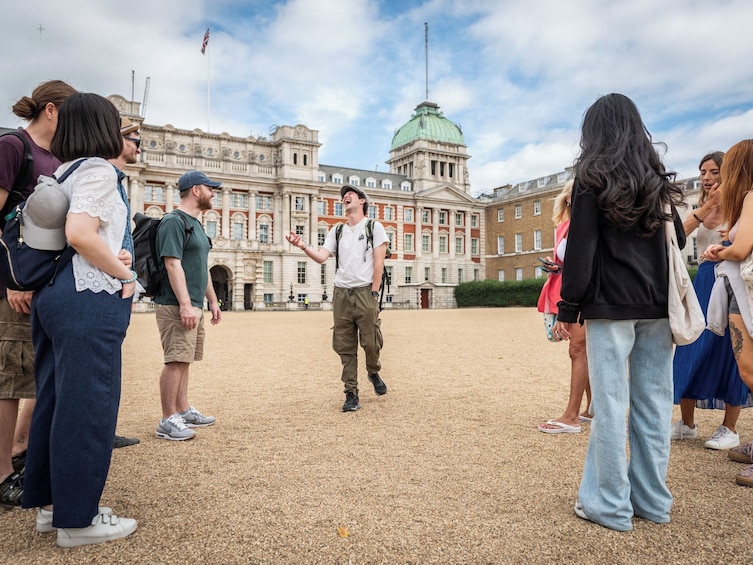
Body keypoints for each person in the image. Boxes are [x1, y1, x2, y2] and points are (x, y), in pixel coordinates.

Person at [554, 93, 685, 531]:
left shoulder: (590, 176)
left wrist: (568, 305)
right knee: (652, 405)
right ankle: (652, 502)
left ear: (594, 131)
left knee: (610, 406)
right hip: (658, 304)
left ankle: (608, 505)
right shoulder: (656, 178)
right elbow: (680, 240)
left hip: (611, 303)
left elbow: (582, 247)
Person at [22, 92, 137, 546]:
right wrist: (126, 272)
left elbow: (73, 238)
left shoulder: (61, 171)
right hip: (87, 297)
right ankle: (78, 520)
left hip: (54, 293)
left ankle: (55, 507)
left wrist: (111, 251)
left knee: (55, 399)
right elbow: (79, 233)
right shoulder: (98, 169)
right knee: (89, 405)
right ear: (103, 128)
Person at [0, 80, 76, 508]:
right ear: (51, 110)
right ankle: (1, 476)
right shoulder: (14, 147)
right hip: (12, 284)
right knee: (9, 380)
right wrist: (10, 280)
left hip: (41, 283)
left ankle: (21, 452)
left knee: (32, 374)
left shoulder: (58, 159)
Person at [672, 152, 752, 449]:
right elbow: (677, 236)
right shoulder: (705, 206)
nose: (707, 177)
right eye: (703, 171)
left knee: (729, 351)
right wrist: (708, 207)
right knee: (689, 347)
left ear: (727, 173)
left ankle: (729, 428)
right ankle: (687, 423)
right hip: (702, 280)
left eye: (714, 171)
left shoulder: (742, 204)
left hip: (729, 278)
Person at [286, 185, 388, 412]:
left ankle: (373, 371)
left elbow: (379, 262)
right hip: (341, 293)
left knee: (371, 342)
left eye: (351, 194)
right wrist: (302, 246)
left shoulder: (374, 227)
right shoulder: (337, 231)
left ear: (362, 201)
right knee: (345, 346)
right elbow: (322, 257)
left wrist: (374, 291)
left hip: (365, 292)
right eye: (343, 196)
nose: (345, 197)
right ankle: (351, 393)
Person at [154, 170, 222, 441]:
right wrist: (184, 304)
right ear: (195, 190)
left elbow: (201, 267)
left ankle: (182, 409)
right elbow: (172, 263)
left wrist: (213, 300)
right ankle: (167, 419)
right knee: (175, 360)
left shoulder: (196, 223)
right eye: (210, 188)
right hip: (175, 304)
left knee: (185, 360)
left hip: (194, 303)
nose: (213, 193)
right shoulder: (173, 221)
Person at [701, 139, 753, 488]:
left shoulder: (751, 196)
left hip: (745, 288)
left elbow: (744, 248)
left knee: (749, 368)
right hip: (739, 288)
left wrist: (722, 250)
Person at [537, 180, 592, 434]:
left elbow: (586, 264)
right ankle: (592, 408)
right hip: (568, 290)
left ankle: (571, 416)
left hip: (588, 293)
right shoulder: (563, 227)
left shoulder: (589, 225)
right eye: (576, 194)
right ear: (568, 199)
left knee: (577, 349)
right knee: (583, 351)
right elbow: (568, 261)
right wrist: (553, 265)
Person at [108, 116, 143, 450]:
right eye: (134, 140)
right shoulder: (98, 177)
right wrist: (126, 275)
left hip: (116, 282)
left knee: (109, 364)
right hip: (103, 282)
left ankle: (103, 427)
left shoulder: (116, 180)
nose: (139, 146)